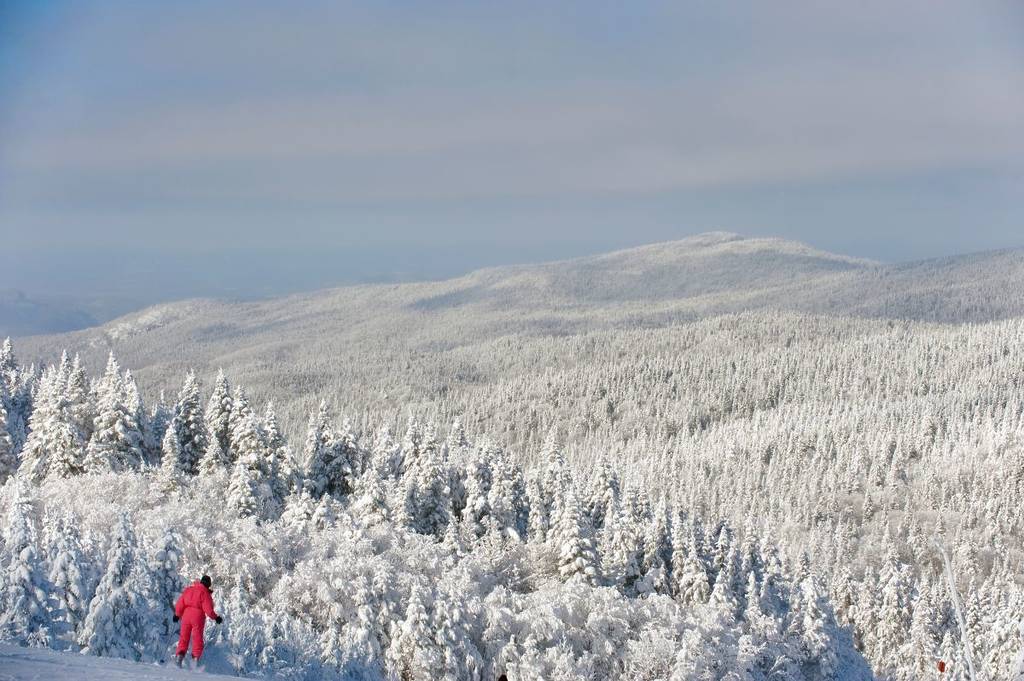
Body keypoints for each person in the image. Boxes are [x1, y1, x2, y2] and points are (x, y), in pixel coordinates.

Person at [173, 574, 223, 666]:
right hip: (198, 617)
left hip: (186, 616)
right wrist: (216, 617)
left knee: (184, 637)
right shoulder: (205, 593)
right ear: (208, 584)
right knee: (197, 638)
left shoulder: (189, 589)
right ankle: (195, 660)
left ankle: (179, 657)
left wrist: (177, 614)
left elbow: (180, 603)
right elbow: (208, 610)